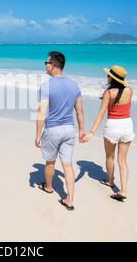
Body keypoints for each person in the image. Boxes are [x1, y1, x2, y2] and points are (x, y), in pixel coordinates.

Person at [35, 51, 85, 211]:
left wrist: (37, 135)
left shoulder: (46, 86)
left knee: (50, 161)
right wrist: (82, 129)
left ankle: (48, 187)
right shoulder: (74, 85)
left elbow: (41, 112)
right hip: (70, 129)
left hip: (53, 129)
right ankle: (69, 199)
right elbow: (79, 111)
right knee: (68, 165)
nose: (45, 65)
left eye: (46, 62)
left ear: (54, 65)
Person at [83, 66, 135, 202]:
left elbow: (101, 114)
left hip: (113, 126)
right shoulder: (130, 90)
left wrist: (91, 132)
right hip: (127, 125)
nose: (107, 77)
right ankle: (124, 190)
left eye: (108, 75)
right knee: (123, 160)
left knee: (110, 157)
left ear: (112, 78)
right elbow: (126, 85)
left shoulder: (109, 93)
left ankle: (111, 181)